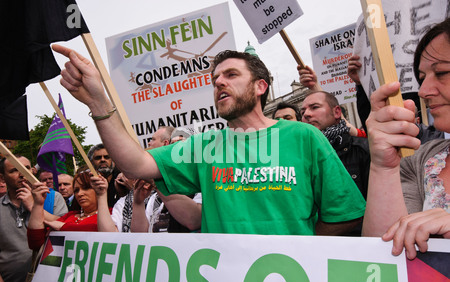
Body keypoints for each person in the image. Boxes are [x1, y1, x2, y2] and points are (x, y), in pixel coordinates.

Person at [53, 45, 365, 236]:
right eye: (215, 79)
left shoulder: (303, 135)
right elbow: (136, 164)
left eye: (230, 75)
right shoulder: (204, 145)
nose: (218, 83)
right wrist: (97, 103)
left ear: (260, 86)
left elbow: (346, 214)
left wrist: (302, 239)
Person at [362, 18, 450, 259]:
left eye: (441, 72)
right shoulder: (422, 160)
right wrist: (383, 167)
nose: (423, 90)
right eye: (422, 77)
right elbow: (382, 262)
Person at [0, 155, 58, 282]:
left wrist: (34, 206)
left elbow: (65, 227)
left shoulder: (52, 198)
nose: (21, 174)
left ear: (33, 171)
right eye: (14, 170)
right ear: (2, 178)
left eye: (25, 168)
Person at [301, 90, 371, 201]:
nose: (306, 114)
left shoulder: (363, 150)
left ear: (337, 112)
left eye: (314, 107)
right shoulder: (301, 156)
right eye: (302, 112)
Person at [27, 170, 117, 250]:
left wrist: (64, 227)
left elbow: (108, 239)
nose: (80, 194)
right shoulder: (70, 215)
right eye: (76, 190)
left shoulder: (112, 214)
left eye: (86, 188)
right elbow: (36, 243)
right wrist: (38, 204)